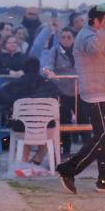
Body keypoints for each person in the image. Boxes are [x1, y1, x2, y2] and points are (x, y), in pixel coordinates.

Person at [56, 5, 105, 194]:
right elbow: (95, 48)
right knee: (102, 137)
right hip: (97, 93)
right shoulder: (86, 36)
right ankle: (68, 169)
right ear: (96, 21)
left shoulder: (100, 35)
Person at [0, 55, 63, 166]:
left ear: (23, 68)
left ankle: (23, 161)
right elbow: (60, 98)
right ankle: (37, 158)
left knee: (22, 128)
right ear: (38, 68)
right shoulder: (48, 85)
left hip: (21, 128)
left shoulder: (14, 85)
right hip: (46, 128)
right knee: (51, 133)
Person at [40, 26, 78, 155]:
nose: (66, 40)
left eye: (69, 37)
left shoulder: (81, 51)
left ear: (74, 39)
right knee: (64, 121)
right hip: (62, 92)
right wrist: (48, 71)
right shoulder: (54, 51)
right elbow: (47, 65)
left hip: (80, 91)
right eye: (63, 37)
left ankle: (88, 152)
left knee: (85, 121)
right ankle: (65, 151)